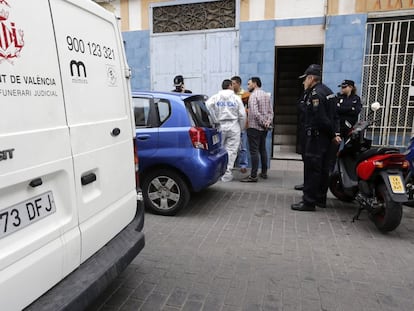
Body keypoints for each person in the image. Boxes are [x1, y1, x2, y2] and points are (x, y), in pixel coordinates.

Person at [291, 64, 341, 211]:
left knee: (312, 170)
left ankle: (308, 202)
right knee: (323, 170)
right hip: (325, 138)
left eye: (305, 79)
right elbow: (335, 116)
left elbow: (322, 119)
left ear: (311, 78)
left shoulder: (315, 94)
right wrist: (335, 134)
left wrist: (333, 135)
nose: (303, 82)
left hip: (317, 138)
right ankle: (320, 198)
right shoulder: (328, 91)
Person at [206, 79, 246, 182]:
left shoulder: (216, 97)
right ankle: (227, 174)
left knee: (219, 150)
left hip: (220, 125)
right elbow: (242, 115)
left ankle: (217, 173)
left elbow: (206, 106)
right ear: (230, 86)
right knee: (231, 151)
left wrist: (214, 119)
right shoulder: (236, 98)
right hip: (234, 125)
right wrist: (241, 128)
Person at [240, 77, 273, 183]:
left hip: (254, 127)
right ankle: (264, 172)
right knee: (262, 149)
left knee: (254, 151)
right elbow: (271, 111)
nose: (248, 86)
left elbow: (254, 112)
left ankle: (253, 176)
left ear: (255, 84)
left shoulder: (253, 96)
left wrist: (263, 122)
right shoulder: (266, 95)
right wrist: (267, 123)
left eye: (249, 84)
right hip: (264, 128)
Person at [231, 75, 249, 174]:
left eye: (233, 83)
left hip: (241, 125)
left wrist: (243, 111)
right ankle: (231, 164)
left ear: (238, 84)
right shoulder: (230, 95)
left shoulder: (245, 95)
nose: (232, 85)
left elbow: (249, 108)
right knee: (230, 146)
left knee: (243, 147)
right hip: (232, 124)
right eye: (231, 84)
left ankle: (243, 165)